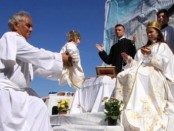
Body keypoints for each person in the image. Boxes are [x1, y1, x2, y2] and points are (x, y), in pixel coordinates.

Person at [0, 11, 71, 131]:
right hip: (9, 95)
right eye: (28, 25)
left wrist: (64, 71)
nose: (31, 29)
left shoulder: (21, 47)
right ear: (16, 25)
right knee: (36, 109)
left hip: (19, 95)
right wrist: (60, 57)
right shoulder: (11, 38)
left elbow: (38, 67)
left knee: (39, 108)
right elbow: (37, 54)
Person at [116, 21, 174, 131]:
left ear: (158, 32)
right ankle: (123, 108)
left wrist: (151, 55)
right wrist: (129, 59)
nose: (149, 34)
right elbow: (137, 63)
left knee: (141, 75)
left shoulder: (163, 46)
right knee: (122, 75)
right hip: (140, 69)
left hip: (155, 71)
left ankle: (142, 110)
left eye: (151, 32)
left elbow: (165, 63)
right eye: (147, 33)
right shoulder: (142, 49)